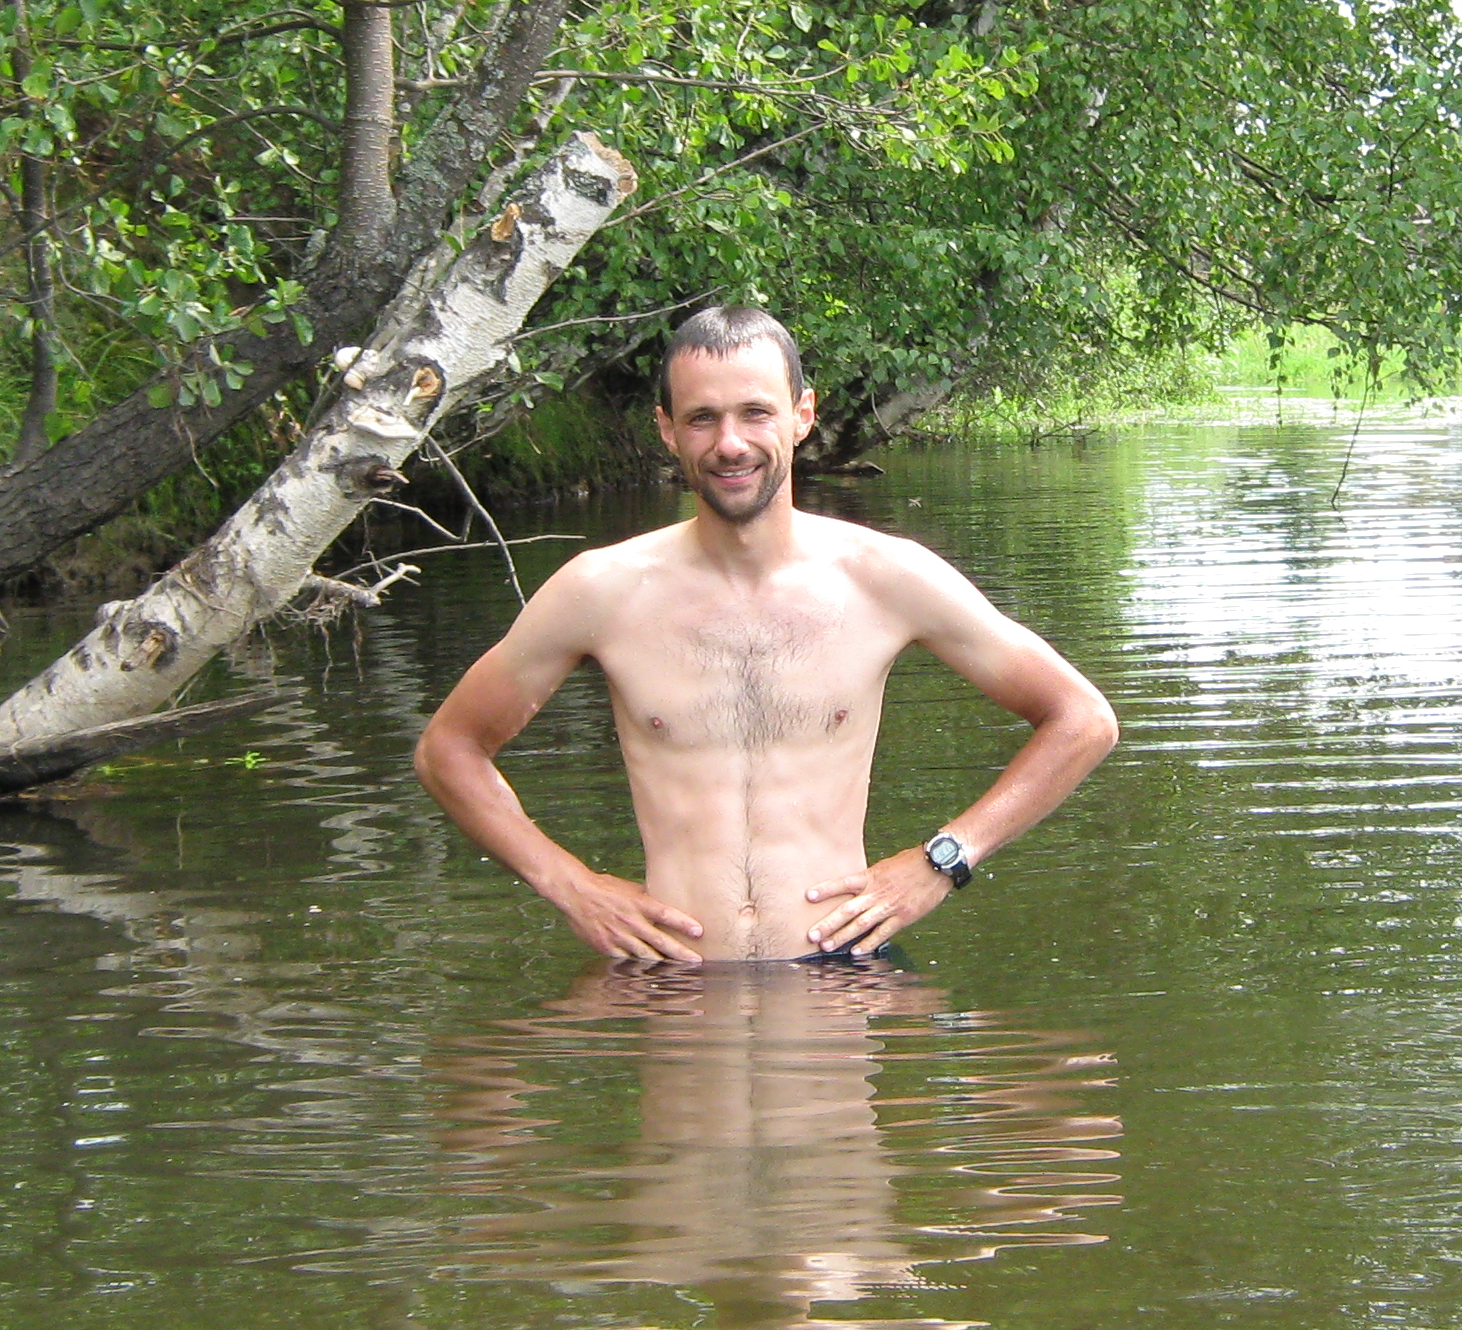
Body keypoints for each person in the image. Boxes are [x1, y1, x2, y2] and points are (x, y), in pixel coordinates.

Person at [413, 305, 1119, 961]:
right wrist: (570, 883)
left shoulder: (884, 577)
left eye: (756, 412)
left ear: (802, 415)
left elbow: (1082, 719)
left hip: (843, 969)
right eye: (702, 419)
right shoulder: (602, 590)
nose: (730, 444)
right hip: (671, 979)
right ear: (666, 429)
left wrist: (943, 861)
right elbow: (449, 749)